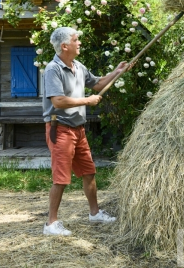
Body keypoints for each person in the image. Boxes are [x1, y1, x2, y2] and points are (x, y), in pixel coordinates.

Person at [42, 27, 128, 236]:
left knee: (89, 172)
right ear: (65, 46)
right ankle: (51, 224)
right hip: (59, 129)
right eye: (76, 39)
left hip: (78, 130)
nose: (79, 42)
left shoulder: (78, 67)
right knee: (61, 178)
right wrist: (87, 101)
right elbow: (58, 100)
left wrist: (117, 72)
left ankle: (94, 213)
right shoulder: (53, 69)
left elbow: (97, 84)